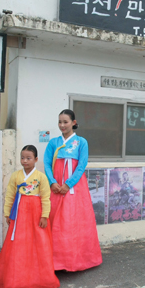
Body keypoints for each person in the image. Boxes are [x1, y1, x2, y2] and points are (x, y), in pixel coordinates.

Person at [0, 145, 60, 288]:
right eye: (22, 158)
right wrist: (7, 213)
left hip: (36, 213)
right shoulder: (16, 176)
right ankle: (16, 281)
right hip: (20, 212)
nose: (25, 161)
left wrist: (44, 216)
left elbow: (45, 198)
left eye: (28, 158)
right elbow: (10, 194)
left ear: (36, 159)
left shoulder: (41, 177)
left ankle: (41, 280)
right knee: (18, 244)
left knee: (39, 243)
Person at [44, 109, 102, 271]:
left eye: (66, 122)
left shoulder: (81, 142)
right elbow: (47, 164)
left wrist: (68, 184)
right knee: (55, 221)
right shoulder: (53, 143)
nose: (62, 125)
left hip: (75, 188)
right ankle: (54, 261)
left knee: (74, 222)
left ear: (73, 123)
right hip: (56, 188)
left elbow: (81, 165)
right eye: (60, 122)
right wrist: (52, 182)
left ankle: (78, 259)